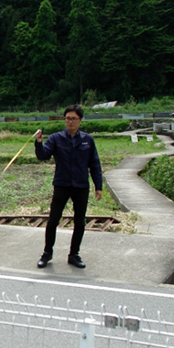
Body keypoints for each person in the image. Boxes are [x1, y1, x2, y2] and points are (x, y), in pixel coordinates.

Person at [33, 105, 103, 270]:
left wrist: (98, 186)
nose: (70, 121)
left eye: (74, 119)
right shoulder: (56, 138)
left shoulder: (87, 140)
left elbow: (95, 164)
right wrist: (39, 143)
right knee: (53, 220)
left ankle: (74, 254)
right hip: (62, 184)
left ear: (80, 121)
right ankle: (47, 253)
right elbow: (43, 156)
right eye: (67, 118)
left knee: (79, 222)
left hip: (81, 185)